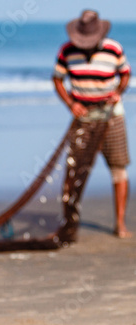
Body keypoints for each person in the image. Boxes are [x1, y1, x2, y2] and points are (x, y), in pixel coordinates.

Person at [52, 10, 132, 240]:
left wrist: (118, 92)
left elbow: (125, 74)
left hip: (112, 116)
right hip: (84, 117)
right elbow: (57, 79)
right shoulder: (66, 51)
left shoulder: (114, 49)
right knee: (73, 171)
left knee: (118, 168)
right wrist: (70, 104)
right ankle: (69, 223)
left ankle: (120, 223)